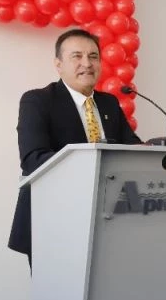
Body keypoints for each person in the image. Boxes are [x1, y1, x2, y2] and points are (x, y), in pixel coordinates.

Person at [8, 29, 142, 265]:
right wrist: (93, 165)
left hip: (109, 218)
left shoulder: (109, 103)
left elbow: (132, 149)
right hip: (54, 220)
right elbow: (33, 159)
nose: (87, 64)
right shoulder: (38, 101)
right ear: (58, 65)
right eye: (77, 56)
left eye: (93, 56)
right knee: (58, 288)